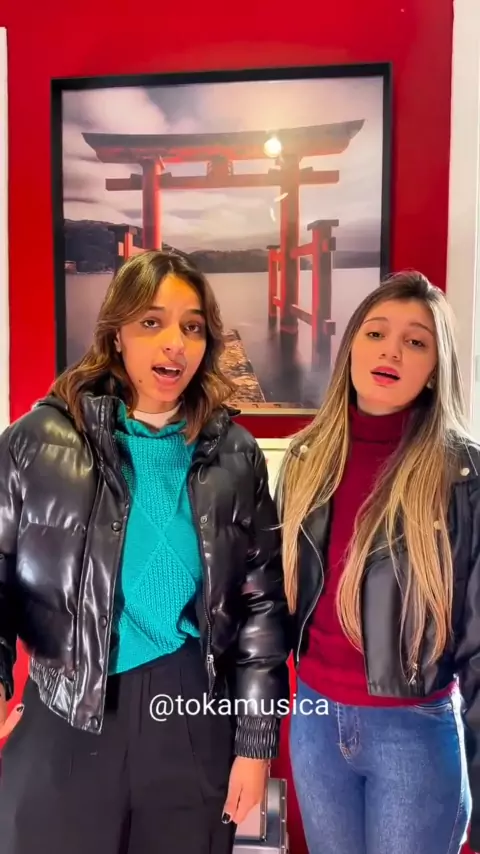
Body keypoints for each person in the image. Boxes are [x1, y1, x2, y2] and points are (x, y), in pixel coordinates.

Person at [0, 249, 290, 854]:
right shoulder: (36, 442)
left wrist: (255, 744)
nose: (174, 344)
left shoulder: (236, 455)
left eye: (192, 327)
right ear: (117, 335)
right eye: (152, 322)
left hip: (190, 713)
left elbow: (262, 608)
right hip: (66, 711)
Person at [277, 271, 480, 854]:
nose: (391, 350)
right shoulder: (305, 459)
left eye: (415, 341)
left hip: (414, 730)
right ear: (351, 348)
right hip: (314, 719)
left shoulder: (462, 475)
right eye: (375, 333)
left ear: (435, 367)